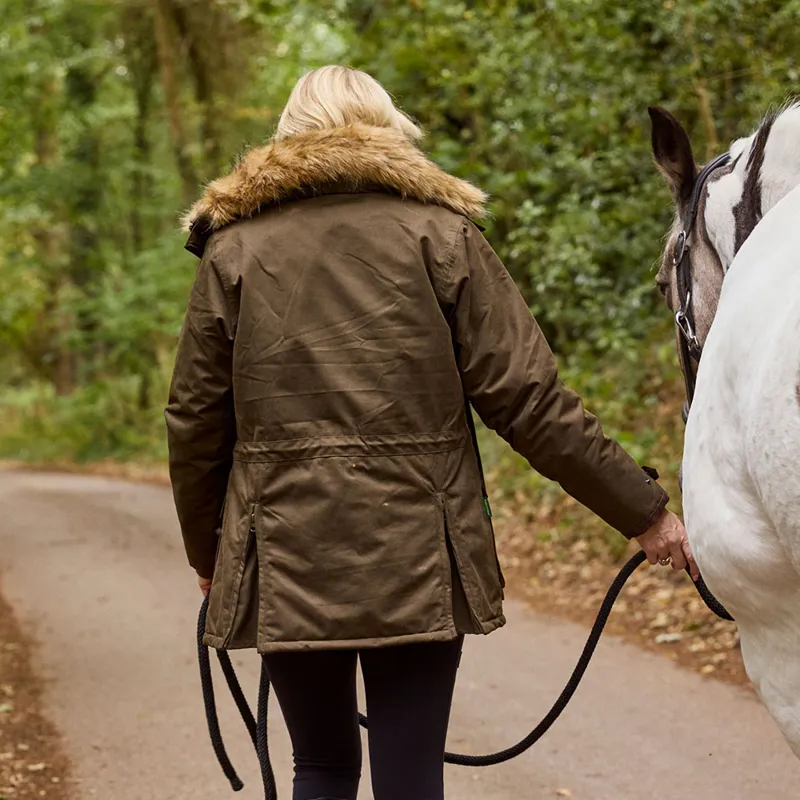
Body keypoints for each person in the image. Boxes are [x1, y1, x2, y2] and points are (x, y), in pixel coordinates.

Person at [166, 65, 696, 800]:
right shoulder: (441, 237)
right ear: (388, 128)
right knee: (410, 777)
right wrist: (646, 515)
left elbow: (195, 423)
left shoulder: (233, 253)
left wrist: (210, 553)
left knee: (318, 766)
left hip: (285, 551)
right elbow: (528, 399)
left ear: (289, 134)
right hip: (418, 549)